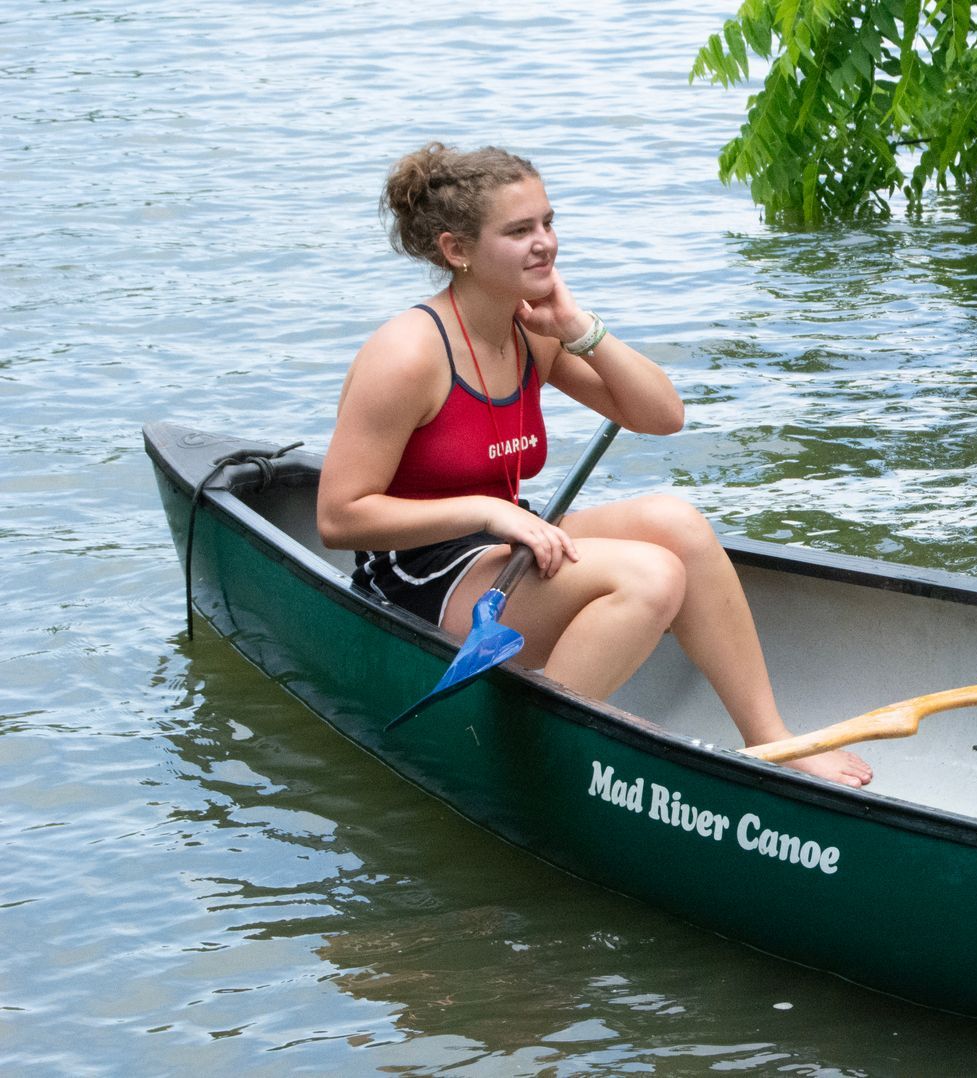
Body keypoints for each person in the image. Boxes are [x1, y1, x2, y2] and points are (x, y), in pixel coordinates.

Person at [316, 142, 871, 787]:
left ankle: (772, 740)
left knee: (677, 523)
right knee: (650, 577)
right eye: (519, 231)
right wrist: (489, 511)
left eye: (548, 223)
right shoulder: (408, 354)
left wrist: (579, 327)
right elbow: (338, 516)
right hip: (419, 577)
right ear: (456, 250)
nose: (544, 244)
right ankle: (528, 756)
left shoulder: (532, 332)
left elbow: (662, 415)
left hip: (501, 543)